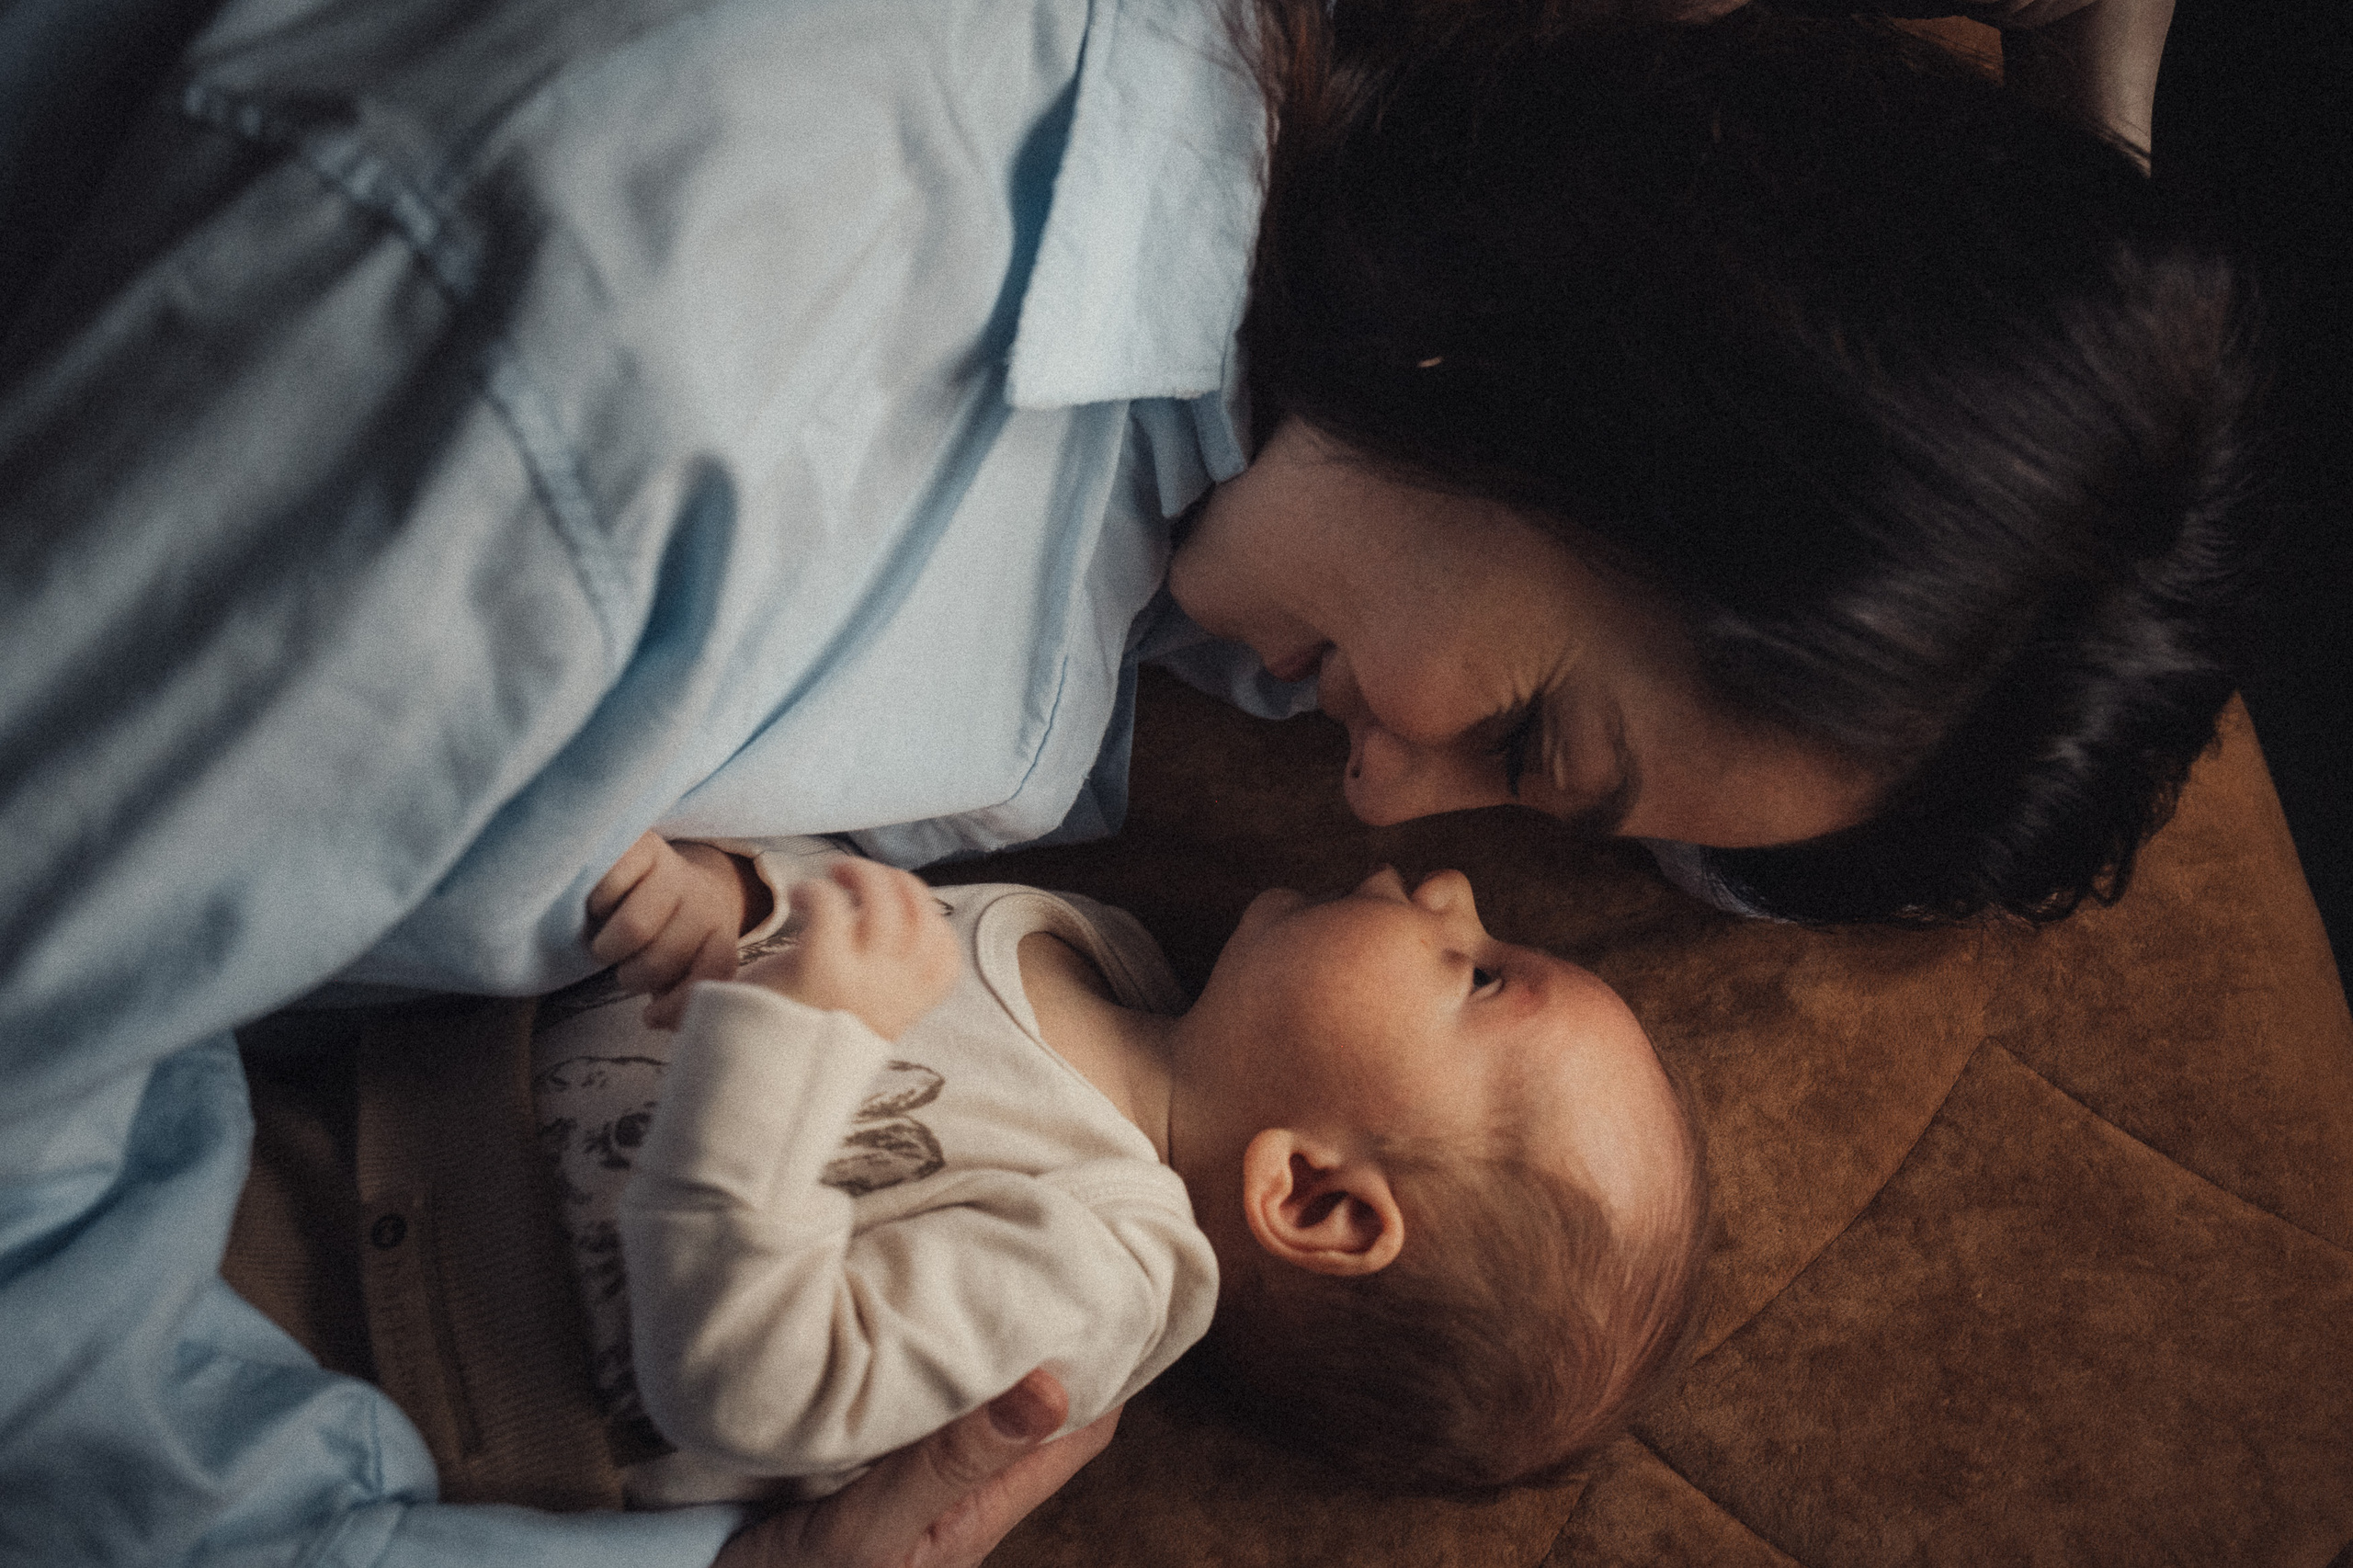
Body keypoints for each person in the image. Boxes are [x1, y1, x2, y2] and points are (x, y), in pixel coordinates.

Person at [0, 0, 2252, 1562]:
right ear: (1574, 367)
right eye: (1532, 741)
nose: (1391, 806)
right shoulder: (640, 374)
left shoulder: (1237, 462)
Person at [536, 836, 1701, 1505]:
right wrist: (730, 895)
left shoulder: (1100, 1270)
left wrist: (796, 1039)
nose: (1452, 889)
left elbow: (745, 1388)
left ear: (1314, 1198)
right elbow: (835, 926)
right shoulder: (1087, 945)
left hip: (433, 1351)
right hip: (418, 1067)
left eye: (1479, 974)